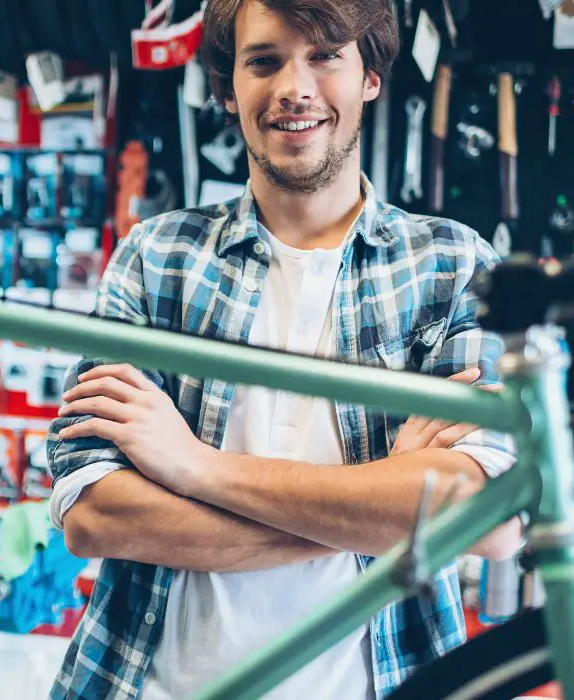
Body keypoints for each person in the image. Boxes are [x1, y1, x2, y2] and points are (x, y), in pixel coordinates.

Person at [44, 0, 521, 697]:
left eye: (326, 55)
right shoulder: (158, 256)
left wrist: (194, 467)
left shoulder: (450, 264)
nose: (294, 87)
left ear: (370, 77)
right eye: (264, 61)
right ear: (228, 89)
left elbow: (487, 515)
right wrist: (383, 502)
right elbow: (94, 514)